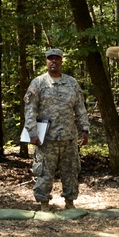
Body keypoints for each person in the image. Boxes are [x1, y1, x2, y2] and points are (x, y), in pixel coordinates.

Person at [23, 48, 90, 210]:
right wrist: (32, 133)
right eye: (50, 59)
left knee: (71, 172)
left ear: (61, 61)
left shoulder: (72, 83)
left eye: (57, 58)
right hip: (47, 139)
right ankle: (44, 204)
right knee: (45, 172)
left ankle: (70, 202)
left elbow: (80, 107)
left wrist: (85, 129)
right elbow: (30, 109)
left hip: (69, 137)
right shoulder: (38, 83)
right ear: (46, 62)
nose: (54, 61)